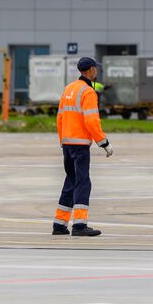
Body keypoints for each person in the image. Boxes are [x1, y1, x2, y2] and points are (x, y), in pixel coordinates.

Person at [53, 57, 111, 237]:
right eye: (96, 69)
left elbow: (60, 118)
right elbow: (91, 120)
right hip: (80, 146)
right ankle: (79, 225)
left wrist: (63, 140)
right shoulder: (88, 92)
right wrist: (104, 142)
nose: (97, 72)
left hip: (67, 144)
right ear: (91, 70)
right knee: (82, 183)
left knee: (70, 181)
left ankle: (59, 224)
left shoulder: (69, 89)